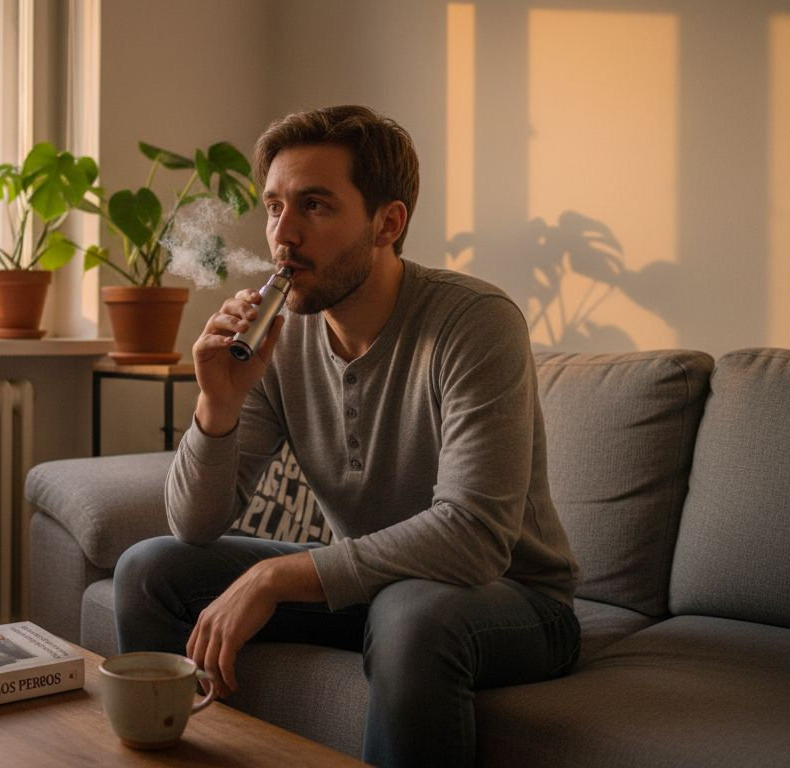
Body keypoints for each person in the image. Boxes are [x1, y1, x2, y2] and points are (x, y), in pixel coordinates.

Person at [112, 105, 582, 768]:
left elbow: (474, 537)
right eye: (274, 207)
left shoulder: (476, 322)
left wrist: (275, 576)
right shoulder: (282, 338)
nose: (283, 234)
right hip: (377, 591)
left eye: (315, 206)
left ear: (387, 223)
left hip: (512, 601)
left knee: (411, 615)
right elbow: (194, 524)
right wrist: (218, 405)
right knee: (149, 571)